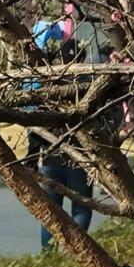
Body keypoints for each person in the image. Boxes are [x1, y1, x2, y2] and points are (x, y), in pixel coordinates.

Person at [27, 29, 94, 249]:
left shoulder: (50, 86)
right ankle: (77, 251)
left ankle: (49, 252)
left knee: (52, 212)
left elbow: (37, 125)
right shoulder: (91, 85)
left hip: (51, 158)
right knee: (81, 208)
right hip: (80, 159)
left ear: (59, 59)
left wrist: (32, 156)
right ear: (82, 58)